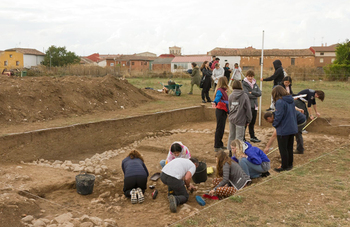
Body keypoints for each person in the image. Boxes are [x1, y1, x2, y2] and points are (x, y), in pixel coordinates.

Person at [271, 85, 298, 172]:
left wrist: (274, 124)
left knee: (283, 148)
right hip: (292, 127)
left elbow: (279, 116)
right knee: (289, 147)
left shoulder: (280, 102)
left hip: (283, 129)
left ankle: (284, 166)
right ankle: (290, 164)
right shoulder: (291, 101)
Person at [227, 80, 252, 157]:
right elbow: (248, 109)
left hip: (232, 119)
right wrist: (249, 119)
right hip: (240, 119)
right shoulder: (244, 96)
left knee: (231, 135)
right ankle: (237, 154)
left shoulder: (230, 96)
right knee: (239, 138)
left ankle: (230, 151)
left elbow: (230, 107)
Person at [242, 70, 262, 143]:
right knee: (246, 122)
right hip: (248, 106)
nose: (250, 78)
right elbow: (246, 94)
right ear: (246, 76)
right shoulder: (244, 84)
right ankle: (242, 137)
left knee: (252, 122)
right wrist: (255, 95)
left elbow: (259, 93)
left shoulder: (255, 84)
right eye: (249, 76)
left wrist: (252, 92)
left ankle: (252, 136)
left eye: (251, 76)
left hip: (255, 105)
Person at [211, 77, 229, 152]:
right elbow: (217, 98)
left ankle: (220, 144)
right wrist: (214, 102)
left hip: (223, 111)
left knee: (222, 128)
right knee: (219, 128)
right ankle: (217, 145)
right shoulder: (220, 90)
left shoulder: (224, 91)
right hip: (220, 111)